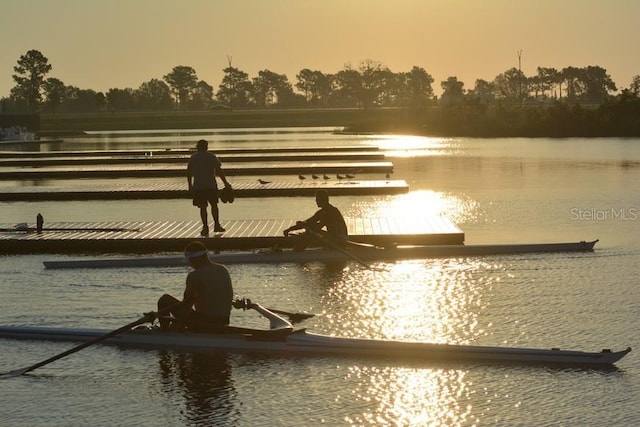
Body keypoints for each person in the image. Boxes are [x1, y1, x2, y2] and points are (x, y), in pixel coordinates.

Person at [157, 241, 233, 332]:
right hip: (223, 322)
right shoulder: (223, 270)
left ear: (195, 259)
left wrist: (159, 313)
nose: (190, 264)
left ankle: (164, 333)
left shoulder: (195, 276)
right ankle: (176, 329)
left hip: (204, 323)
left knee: (164, 299)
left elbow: (186, 305)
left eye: (189, 261)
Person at [187, 139, 231, 236]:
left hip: (199, 186)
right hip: (211, 185)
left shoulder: (193, 157)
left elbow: (189, 172)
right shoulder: (211, 156)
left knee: (202, 207)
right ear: (206, 146)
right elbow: (219, 170)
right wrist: (225, 183)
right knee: (214, 205)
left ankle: (205, 227)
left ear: (197, 147)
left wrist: (190, 185)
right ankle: (216, 225)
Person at [283, 190, 348, 249]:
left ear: (322, 199)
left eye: (317, 198)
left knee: (311, 230)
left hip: (340, 241)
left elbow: (318, 227)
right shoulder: (321, 212)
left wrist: (305, 225)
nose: (315, 200)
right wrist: (289, 229)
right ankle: (299, 249)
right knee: (310, 229)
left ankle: (298, 251)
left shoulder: (332, 211)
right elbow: (308, 222)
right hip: (333, 239)